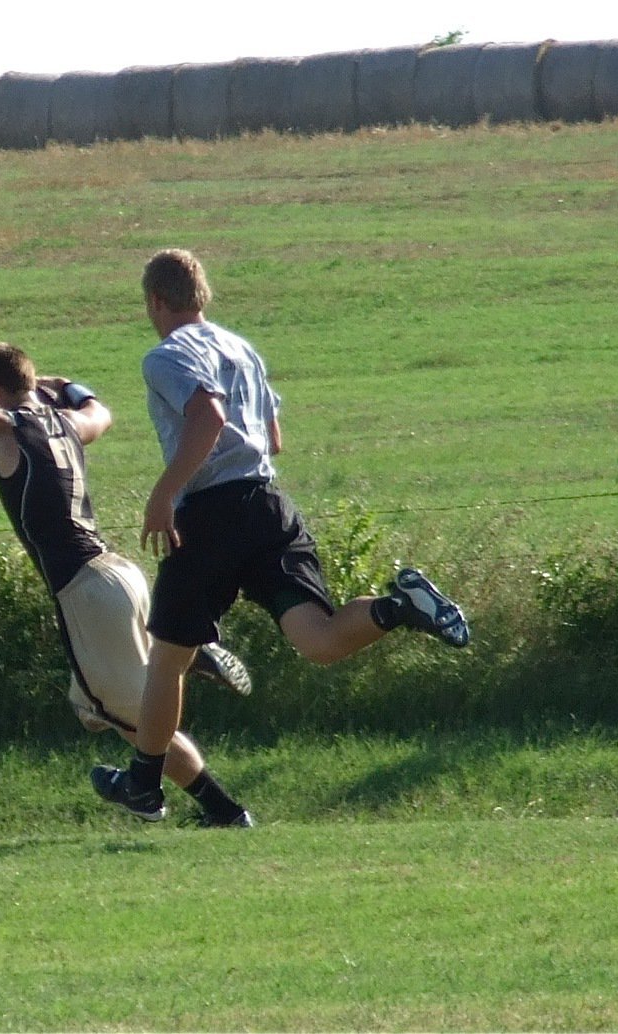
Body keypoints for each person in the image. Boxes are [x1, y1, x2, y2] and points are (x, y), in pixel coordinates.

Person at [0, 299, 255, 827]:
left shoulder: (3, 424)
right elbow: (100, 412)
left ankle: (216, 805)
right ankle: (177, 663)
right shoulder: (66, 422)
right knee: (89, 705)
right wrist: (68, 385)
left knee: (137, 723)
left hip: (85, 589)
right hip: (119, 574)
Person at [91, 248, 470, 822]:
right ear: (203, 295)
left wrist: (165, 492)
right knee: (319, 640)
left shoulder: (165, 355)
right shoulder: (242, 348)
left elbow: (208, 417)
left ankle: (144, 785)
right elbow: (272, 437)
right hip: (268, 506)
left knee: (167, 657)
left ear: (155, 301)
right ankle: (397, 608)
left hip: (211, 515)